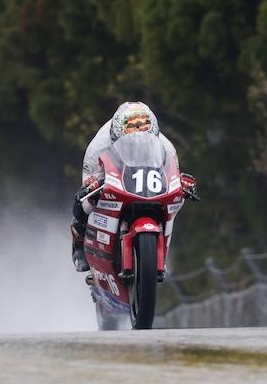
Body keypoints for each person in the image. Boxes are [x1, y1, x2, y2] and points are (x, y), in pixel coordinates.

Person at [71, 100, 197, 272]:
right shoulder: (98, 146)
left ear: (153, 129)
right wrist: (93, 184)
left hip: (146, 181)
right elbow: (90, 176)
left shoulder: (166, 147)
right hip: (110, 172)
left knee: (177, 200)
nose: (137, 134)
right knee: (85, 201)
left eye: (143, 127)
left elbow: (171, 172)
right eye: (131, 128)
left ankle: (160, 250)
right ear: (118, 132)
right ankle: (79, 242)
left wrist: (181, 184)